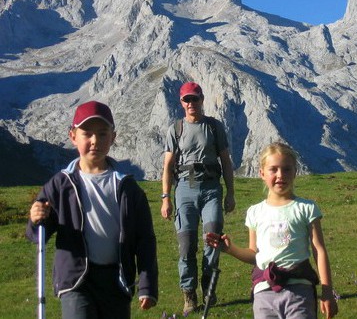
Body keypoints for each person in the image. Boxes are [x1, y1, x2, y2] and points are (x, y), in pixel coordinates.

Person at [26, 100, 158, 319]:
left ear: (113, 138)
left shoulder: (127, 187)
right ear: (73, 136)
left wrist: (148, 286)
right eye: (87, 133)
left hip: (117, 280)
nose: (95, 140)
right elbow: (38, 233)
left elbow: (145, 239)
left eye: (103, 134)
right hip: (76, 280)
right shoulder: (61, 184)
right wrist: (35, 219)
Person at [206, 142, 339, 319]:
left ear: (295, 172)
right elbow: (254, 254)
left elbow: (319, 250)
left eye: (286, 169)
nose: (280, 175)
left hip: (300, 290)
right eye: (273, 169)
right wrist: (230, 249)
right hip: (264, 292)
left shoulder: (306, 208)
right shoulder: (255, 212)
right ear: (262, 173)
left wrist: (327, 290)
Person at [161, 81, 236, 314]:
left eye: (195, 98)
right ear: (181, 103)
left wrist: (231, 193)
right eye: (187, 99)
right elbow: (167, 166)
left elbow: (226, 161)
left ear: (202, 99)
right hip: (186, 185)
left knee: (212, 240)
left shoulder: (214, 127)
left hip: (212, 187)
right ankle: (189, 295)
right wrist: (166, 197)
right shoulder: (176, 129)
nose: (191, 103)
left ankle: (209, 290)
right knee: (187, 245)